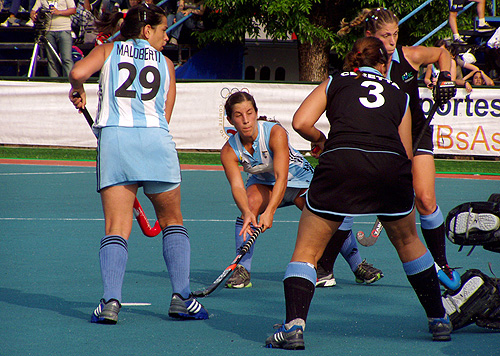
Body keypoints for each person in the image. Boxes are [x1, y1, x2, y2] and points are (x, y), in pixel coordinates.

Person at [265, 37, 452, 350]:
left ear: (354, 60)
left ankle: (293, 327)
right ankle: (439, 319)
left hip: (341, 161)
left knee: (308, 249)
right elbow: (406, 152)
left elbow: (301, 122)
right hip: (390, 167)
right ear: (383, 65)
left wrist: (321, 139)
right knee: (408, 242)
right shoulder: (398, 92)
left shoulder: (336, 81)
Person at [68, 3, 208, 324]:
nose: (166, 38)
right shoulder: (167, 65)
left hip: (117, 142)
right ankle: (182, 298)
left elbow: (77, 73)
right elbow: (164, 117)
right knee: (172, 220)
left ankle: (110, 302)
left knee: (116, 227)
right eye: (162, 31)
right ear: (147, 31)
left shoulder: (108, 51)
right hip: (156, 141)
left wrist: (78, 91)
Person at [331, 7, 461, 291]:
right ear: (370, 36)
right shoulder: (360, 67)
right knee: (346, 197)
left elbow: (443, 54)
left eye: (395, 35)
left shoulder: (408, 56)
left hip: (416, 132)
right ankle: (323, 265)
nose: (391, 42)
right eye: (384, 36)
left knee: (425, 199)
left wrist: (446, 77)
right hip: (381, 137)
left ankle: (443, 263)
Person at [221, 91, 383, 289]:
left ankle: (358, 266)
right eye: (239, 115)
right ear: (230, 119)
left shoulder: (274, 133)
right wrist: (247, 212)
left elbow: (282, 177)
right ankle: (241, 269)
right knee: (249, 204)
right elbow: (237, 186)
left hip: (299, 181)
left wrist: (270, 212)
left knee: (328, 218)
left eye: (249, 113)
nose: (246, 120)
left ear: (256, 113)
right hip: (264, 185)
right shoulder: (229, 150)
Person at [30, 0, 76, 77]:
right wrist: (33, 15)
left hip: (64, 29)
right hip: (49, 31)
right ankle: (54, 80)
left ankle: (70, 81)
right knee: (51, 59)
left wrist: (59, 12)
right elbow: (33, 10)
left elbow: (73, 10)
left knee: (66, 58)